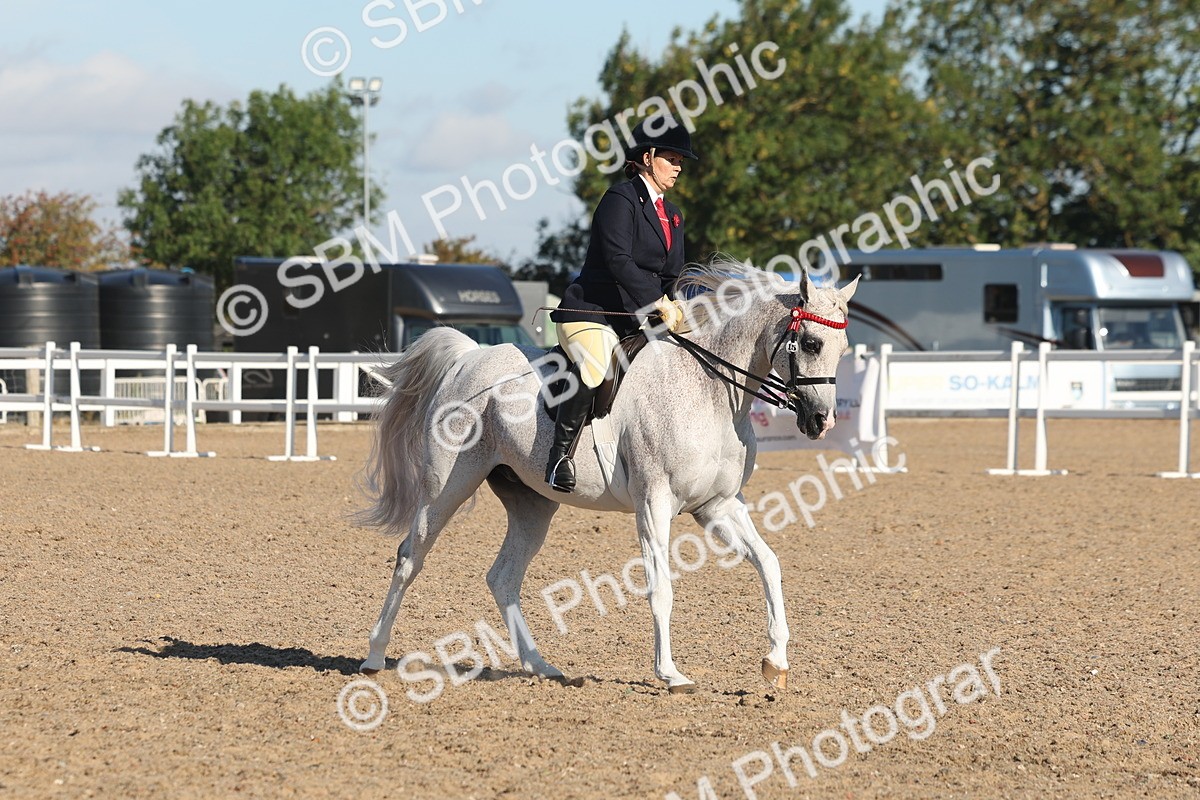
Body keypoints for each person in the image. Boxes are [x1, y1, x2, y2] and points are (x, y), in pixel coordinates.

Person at [545, 119, 698, 492]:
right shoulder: (620, 199)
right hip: (594, 311)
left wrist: (677, 306)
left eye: (681, 160)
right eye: (671, 158)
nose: (678, 166)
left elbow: (671, 273)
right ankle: (560, 458)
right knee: (596, 366)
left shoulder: (673, 214)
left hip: (639, 317)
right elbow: (617, 260)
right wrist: (656, 301)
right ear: (647, 157)